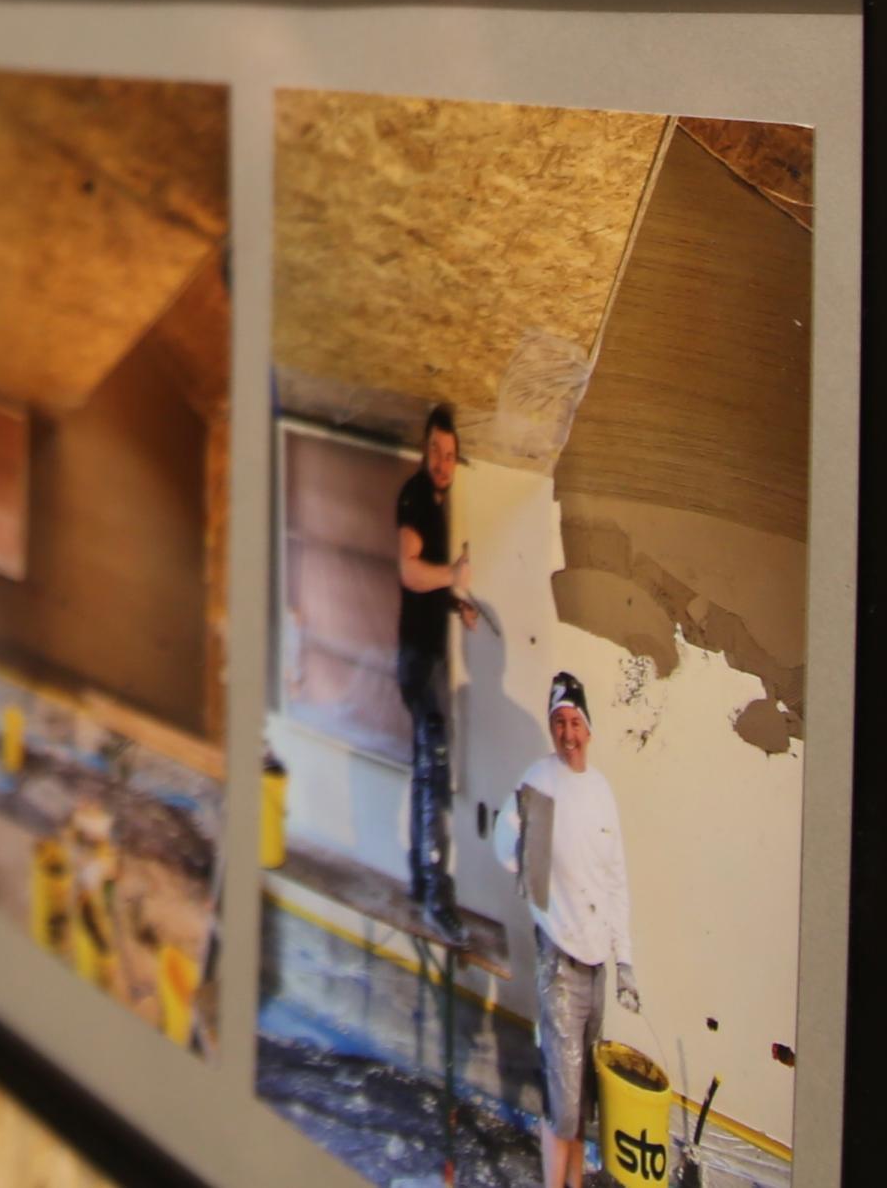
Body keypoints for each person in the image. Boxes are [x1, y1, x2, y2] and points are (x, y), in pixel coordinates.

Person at [485, 671, 646, 1188]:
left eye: (575, 722)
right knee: (564, 1106)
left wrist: (624, 959)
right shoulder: (539, 781)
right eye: (558, 723)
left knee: (583, 1104)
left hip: (597, 968)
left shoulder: (601, 791)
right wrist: (525, 853)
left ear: (589, 728)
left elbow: (616, 880)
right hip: (560, 964)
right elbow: (504, 845)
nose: (567, 734)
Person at [392, 400, 494, 925]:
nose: (442, 462)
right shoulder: (416, 498)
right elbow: (411, 572)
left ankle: (419, 879)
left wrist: (456, 601)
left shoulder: (435, 503)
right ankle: (437, 896)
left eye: (450, 455)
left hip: (424, 657)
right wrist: (453, 575)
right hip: (419, 661)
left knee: (425, 769)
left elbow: (428, 584)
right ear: (424, 449)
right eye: (435, 450)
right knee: (434, 773)